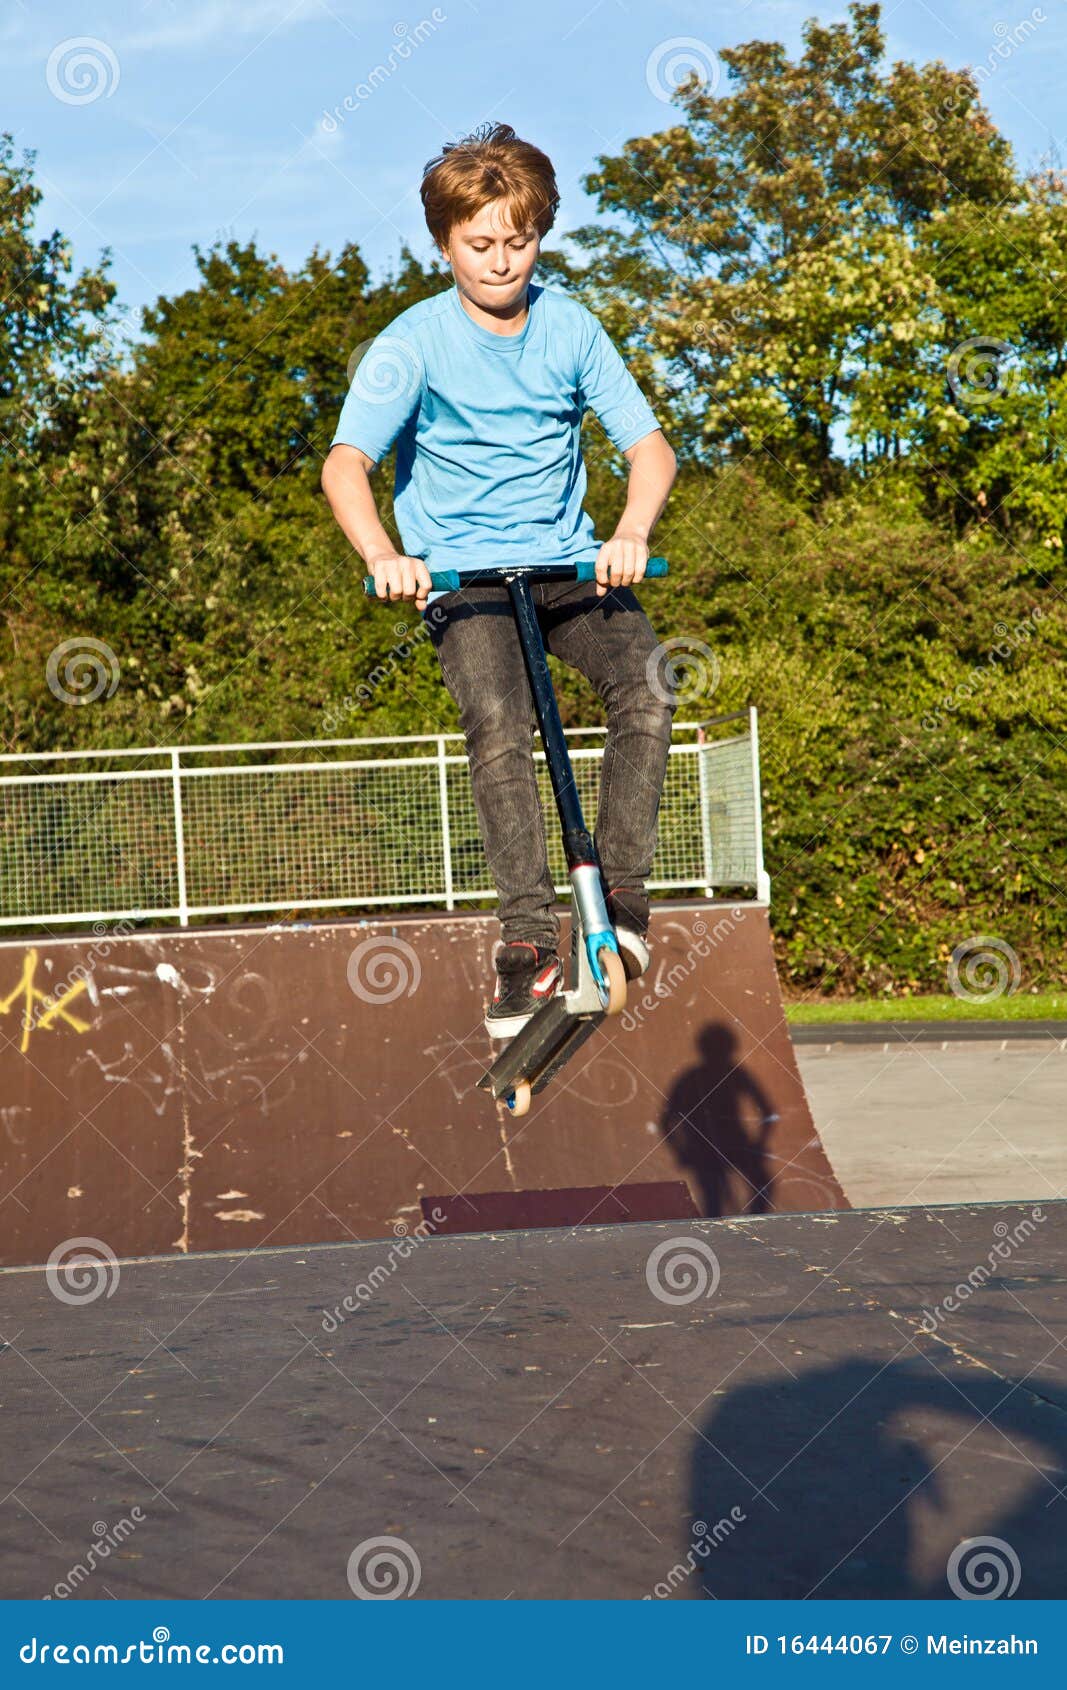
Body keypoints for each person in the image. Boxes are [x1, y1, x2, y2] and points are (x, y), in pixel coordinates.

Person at [322, 122, 678, 1040]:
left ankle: (623, 912)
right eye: (479, 245)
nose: (500, 261)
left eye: (518, 242)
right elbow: (345, 464)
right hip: (464, 578)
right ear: (445, 244)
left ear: (539, 234)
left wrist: (631, 531)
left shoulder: (570, 325)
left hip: (567, 566)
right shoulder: (413, 343)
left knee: (645, 687)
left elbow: (648, 449)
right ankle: (526, 945)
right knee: (498, 721)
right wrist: (382, 558)